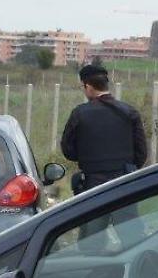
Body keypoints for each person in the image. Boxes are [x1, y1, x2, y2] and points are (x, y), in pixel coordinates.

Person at [61, 63, 148, 193]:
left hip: (92, 186)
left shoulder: (79, 114)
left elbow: (68, 149)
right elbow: (141, 153)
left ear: (88, 87)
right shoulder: (130, 112)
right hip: (124, 184)